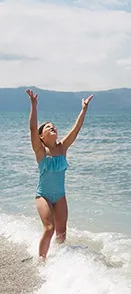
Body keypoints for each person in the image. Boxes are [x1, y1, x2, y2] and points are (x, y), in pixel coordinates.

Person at [26, 89, 93, 259]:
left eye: (53, 126)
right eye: (48, 127)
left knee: (61, 233)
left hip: (60, 196)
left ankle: (60, 260)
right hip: (43, 196)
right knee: (49, 229)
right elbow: (33, 128)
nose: (52, 127)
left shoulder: (63, 148)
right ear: (41, 136)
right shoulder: (41, 151)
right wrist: (34, 105)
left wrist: (84, 109)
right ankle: (41, 261)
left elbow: (76, 129)